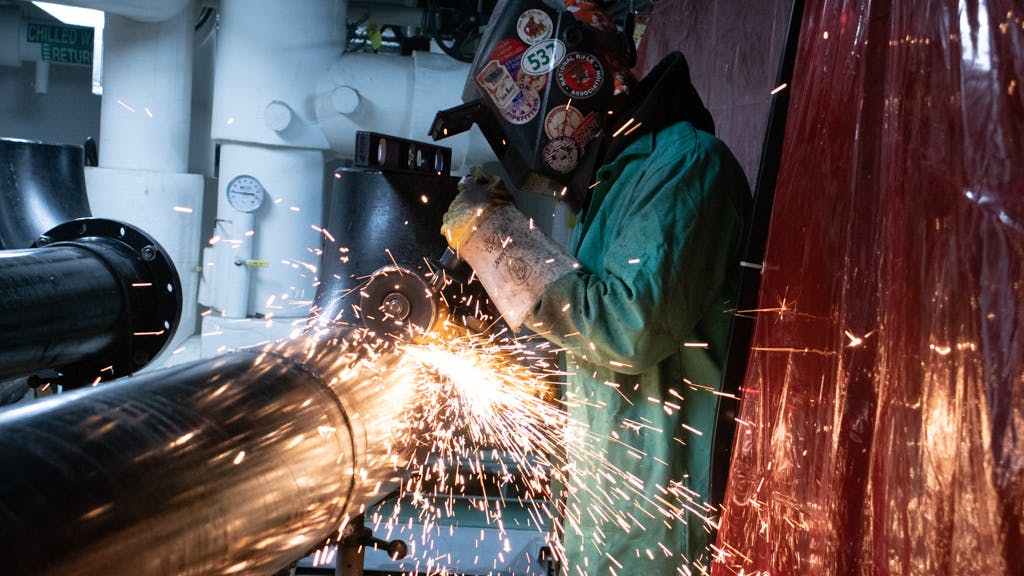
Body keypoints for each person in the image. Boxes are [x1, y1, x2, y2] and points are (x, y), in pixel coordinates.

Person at [430, 0, 751, 573]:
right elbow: (592, 340)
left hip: (663, 533)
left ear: (575, 80)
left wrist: (492, 237)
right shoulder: (612, 187)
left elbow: (625, 330)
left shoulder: (684, 166)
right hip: (607, 525)